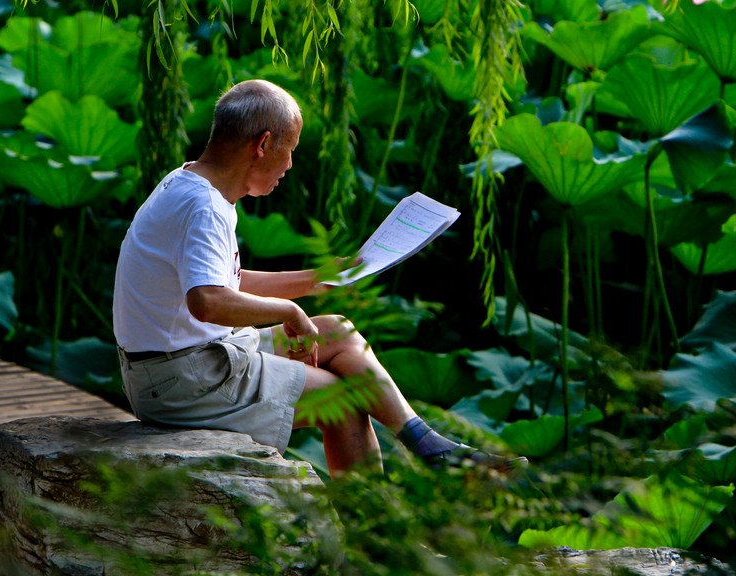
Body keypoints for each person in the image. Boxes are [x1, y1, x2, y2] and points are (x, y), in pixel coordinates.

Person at [113, 79, 521, 478]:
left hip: (184, 365)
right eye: (289, 150)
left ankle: (430, 446)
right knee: (341, 402)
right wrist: (289, 310)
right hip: (181, 381)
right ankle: (371, 536)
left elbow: (225, 280)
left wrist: (316, 279)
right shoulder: (204, 207)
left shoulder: (189, 182)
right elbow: (207, 300)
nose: (289, 165)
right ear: (263, 145)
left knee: (337, 332)